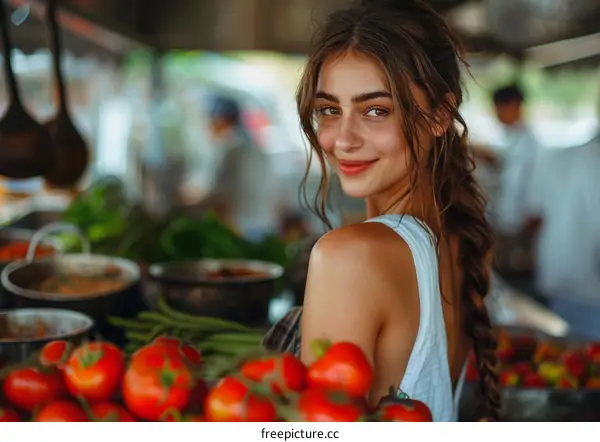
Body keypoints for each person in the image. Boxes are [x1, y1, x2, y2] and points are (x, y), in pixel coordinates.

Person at [263, 0, 500, 422]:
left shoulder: (350, 256)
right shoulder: (463, 237)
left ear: (439, 116)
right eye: (329, 110)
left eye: (376, 110)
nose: (344, 139)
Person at [524, 131, 600, 339]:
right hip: (591, 292)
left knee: (563, 360)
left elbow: (534, 217)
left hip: (556, 282)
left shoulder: (560, 157)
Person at [204, 95, 279, 241]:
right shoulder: (259, 150)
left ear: (222, 120)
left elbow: (219, 198)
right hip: (265, 227)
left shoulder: (228, 149)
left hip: (236, 230)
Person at [489, 84, 542, 235]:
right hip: (501, 220)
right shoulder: (508, 137)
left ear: (514, 105)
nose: (497, 113)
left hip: (519, 223)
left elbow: (534, 186)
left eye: (499, 108)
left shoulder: (532, 144)